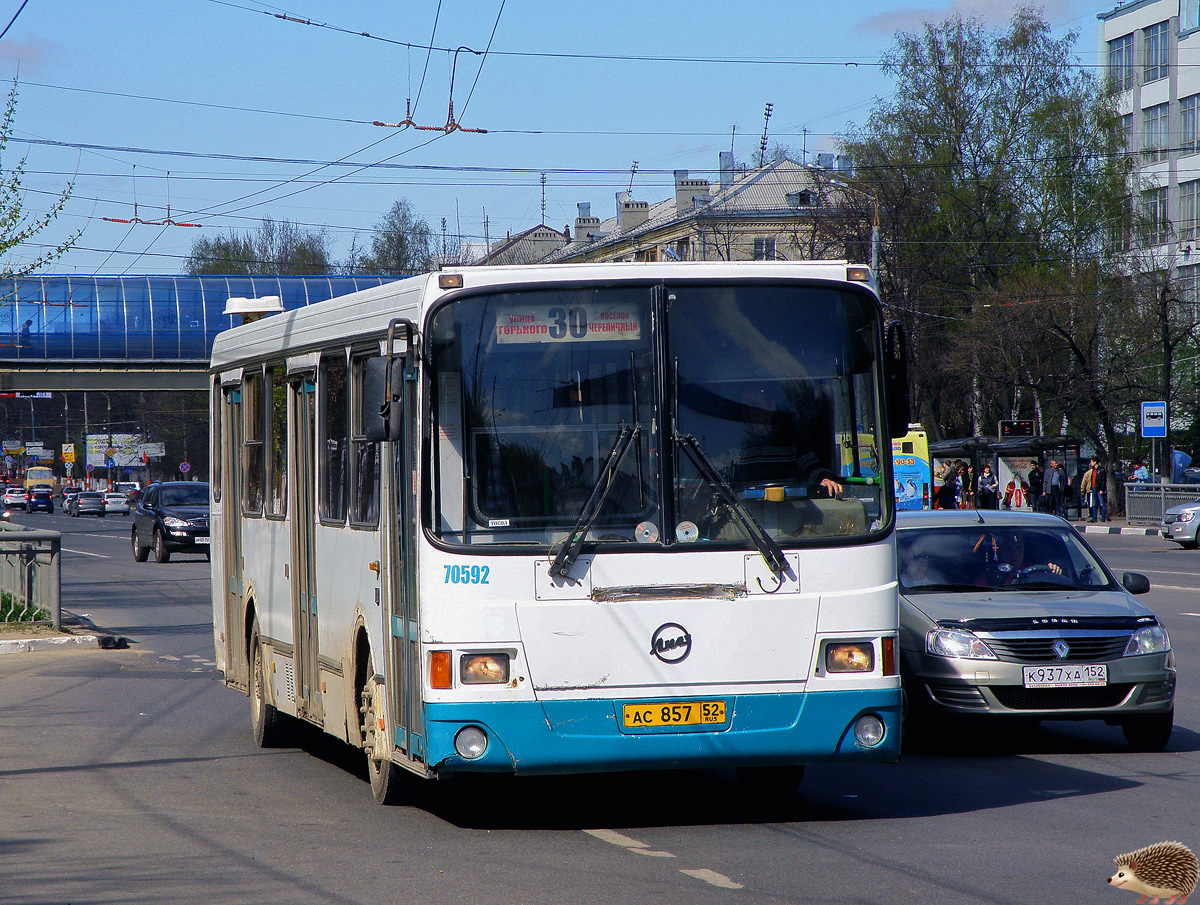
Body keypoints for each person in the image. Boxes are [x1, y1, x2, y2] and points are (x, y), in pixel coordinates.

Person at [975, 530, 1065, 586]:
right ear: (999, 551)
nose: (1015, 553)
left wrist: (1053, 573)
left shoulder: (1037, 572)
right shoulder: (987, 578)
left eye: (1019, 548)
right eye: (1009, 549)